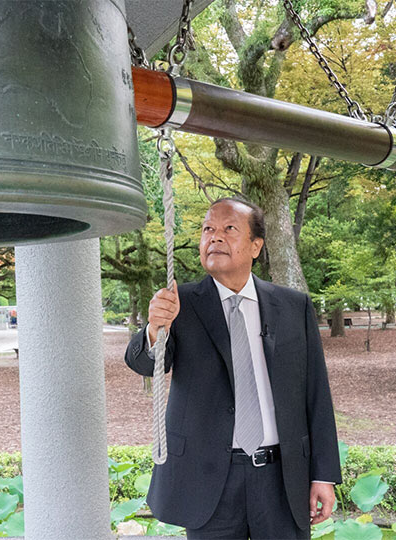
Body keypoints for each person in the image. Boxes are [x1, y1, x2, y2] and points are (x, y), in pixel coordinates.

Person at [125, 197, 341, 539]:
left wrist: (323, 474)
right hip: (210, 480)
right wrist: (154, 329)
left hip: (282, 479)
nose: (215, 237)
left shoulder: (293, 306)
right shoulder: (179, 302)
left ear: (256, 246)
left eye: (229, 229)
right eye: (208, 229)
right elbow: (143, 363)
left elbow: (316, 394)